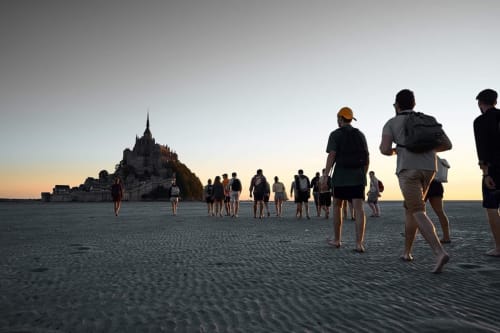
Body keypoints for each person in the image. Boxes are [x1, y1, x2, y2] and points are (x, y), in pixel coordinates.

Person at [380, 89, 452, 273]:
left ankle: (439, 252)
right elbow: (447, 145)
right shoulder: (428, 119)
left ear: (397, 105)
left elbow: (384, 149)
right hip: (430, 169)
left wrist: (398, 150)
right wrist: (426, 148)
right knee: (411, 209)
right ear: (414, 103)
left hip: (408, 170)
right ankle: (407, 252)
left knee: (418, 210)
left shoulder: (392, 122)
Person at [326, 107, 369, 252]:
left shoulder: (335, 134)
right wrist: (363, 174)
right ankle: (359, 243)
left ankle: (337, 240)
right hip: (357, 177)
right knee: (359, 209)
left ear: (340, 119)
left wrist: (325, 175)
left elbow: (332, 155)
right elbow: (367, 157)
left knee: (337, 206)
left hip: (340, 177)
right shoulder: (360, 135)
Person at [473, 88, 500, 257]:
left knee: (492, 207)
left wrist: (485, 173)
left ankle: (499, 247)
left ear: (480, 103)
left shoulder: (480, 121)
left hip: (494, 168)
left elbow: (482, 149)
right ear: (495, 101)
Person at [424, 157, 451, 243]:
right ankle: (446, 236)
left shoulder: (421, 156)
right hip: (436, 184)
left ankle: (411, 232)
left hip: (424, 183)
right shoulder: (436, 157)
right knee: (440, 212)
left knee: (415, 211)